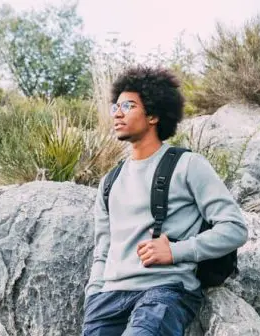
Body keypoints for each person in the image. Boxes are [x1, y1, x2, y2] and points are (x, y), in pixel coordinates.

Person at [82, 66, 248, 336]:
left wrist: (176, 251)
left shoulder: (188, 165)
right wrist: (93, 296)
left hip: (164, 293)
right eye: (116, 106)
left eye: (129, 105)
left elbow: (234, 229)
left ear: (154, 115)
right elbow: (103, 250)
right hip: (106, 300)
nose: (118, 113)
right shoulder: (109, 181)